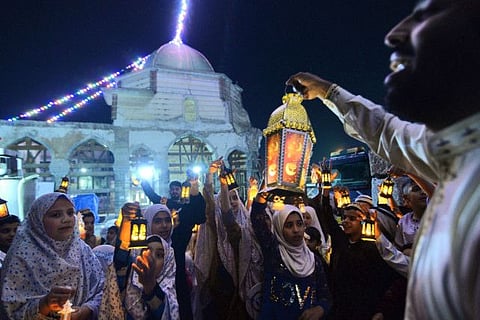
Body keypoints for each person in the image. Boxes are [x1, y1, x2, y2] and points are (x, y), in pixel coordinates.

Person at [287, 1, 480, 318]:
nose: (395, 34)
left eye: (429, 14)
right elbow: (388, 133)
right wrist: (328, 91)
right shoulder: (460, 148)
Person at [0, 192, 104, 319]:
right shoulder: (21, 257)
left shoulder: (82, 250)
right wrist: (44, 305)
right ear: (37, 220)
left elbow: (102, 289)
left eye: (70, 213)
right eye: (56, 215)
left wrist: (86, 310)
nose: (66, 219)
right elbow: (9, 309)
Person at [250, 195, 331, 319]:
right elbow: (258, 220)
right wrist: (262, 196)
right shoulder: (274, 252)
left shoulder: (314, 261)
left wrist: (320, 309)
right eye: (288, 225)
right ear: (279, 229)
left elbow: (325, 296)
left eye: (299, 224)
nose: (296, 230)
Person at [143, 178, 206, 320]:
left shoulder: (176, 242)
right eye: (157, 221)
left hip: (179, 296)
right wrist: (144, 182)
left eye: (167, 220)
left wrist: (195, 189)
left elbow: (200, 216)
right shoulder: (140, 249)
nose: (164, 225)